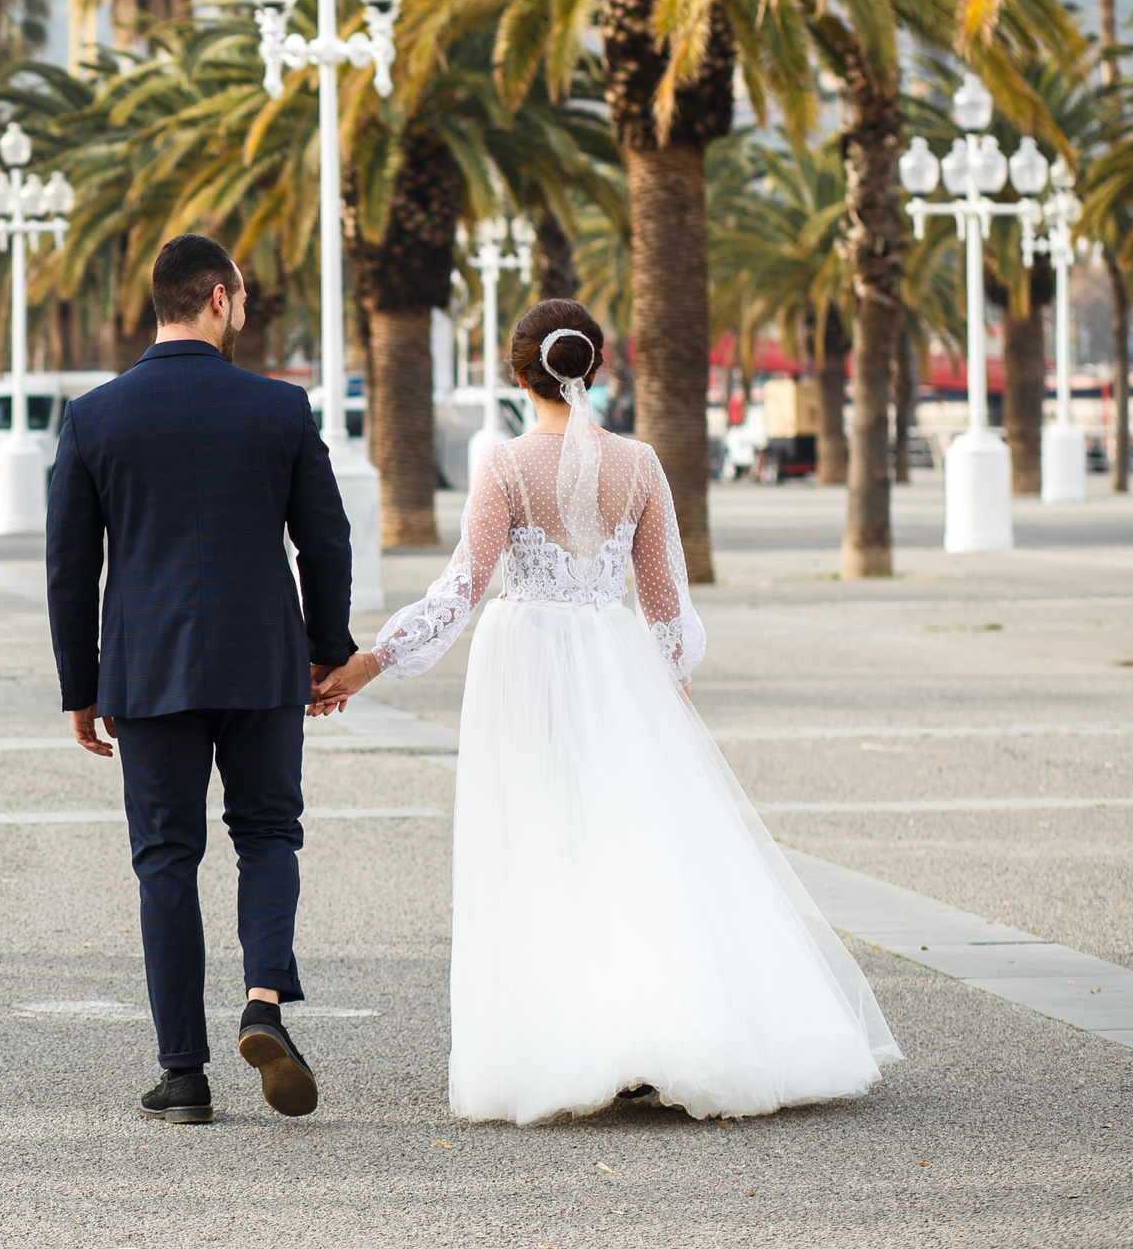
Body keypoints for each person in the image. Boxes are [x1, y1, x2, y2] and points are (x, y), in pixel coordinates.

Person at [315, 299, 900, 1125]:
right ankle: (650, 1030)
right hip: (618, 666)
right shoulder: (642, 464)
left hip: (525, 663)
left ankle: (571, 1039)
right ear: (594, 368)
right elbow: (666, 606)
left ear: (520, 374)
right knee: (630, 841)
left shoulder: (505, 465)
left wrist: (377, 659)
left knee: (541, 843)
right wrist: (669, 698)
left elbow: (464, 585)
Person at [46, 234, 355, 1124]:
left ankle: (183, 1074)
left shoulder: (95, 416)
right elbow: (325, 540)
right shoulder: (280, 409)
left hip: (147, 669)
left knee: (166, 862)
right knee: (268, 834)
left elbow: (71, 567)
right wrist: (326, 649)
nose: (246, 309)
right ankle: (264, 1001)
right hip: (264, 661)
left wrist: (82, 685)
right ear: (219, 298)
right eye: (245, 297)